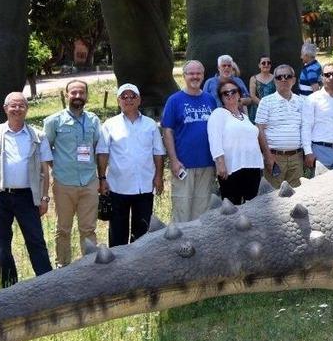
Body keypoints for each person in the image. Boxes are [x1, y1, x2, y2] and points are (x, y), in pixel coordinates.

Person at [0, 92, 53, 288]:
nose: (17, 109)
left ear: (27, 109)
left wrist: (45, 198)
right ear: (5, 109)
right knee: (2, 245)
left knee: (36, 241)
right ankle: (9, 287)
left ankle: (47, 284)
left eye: (21, 106)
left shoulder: (38, 136)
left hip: (27, 196)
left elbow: (45, 170)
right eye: (13, 106)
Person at [96, 83, 165, 247]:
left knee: (141, 234)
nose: (128, 100)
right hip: (118, 187)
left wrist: (159, 177)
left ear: (139, 100)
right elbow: (103, 153)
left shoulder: (150, 125)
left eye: (132, 96)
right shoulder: (109, 125)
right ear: (118, 101)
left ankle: (139, 266)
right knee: (118, 234)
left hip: (145, 186)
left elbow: (158, 152)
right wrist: (102, 178)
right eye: (124, 97)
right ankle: (117, 268)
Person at [43, 80, 100, 267]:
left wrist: (101, 178)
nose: (77, 96)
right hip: (63, 183)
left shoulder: (94, 120)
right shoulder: (53, 121)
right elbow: (46, 151)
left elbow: (98, 149)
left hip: (89, 182)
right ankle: (62, 267)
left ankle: (90, 265)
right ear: (66, 95)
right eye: (73, 93)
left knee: (89, 228)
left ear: (86, 96)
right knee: (63, 229)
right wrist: (58, 167)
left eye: (81, 93)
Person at [162, 60, 218, 222]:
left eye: (198, 73)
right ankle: (180, 247)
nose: (195, 76)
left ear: (203, 75)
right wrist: (173, 160)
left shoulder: (210, 100)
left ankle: (200, 246)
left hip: (207, 164)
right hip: (183, 165)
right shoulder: (174, 100)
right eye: (191, 73)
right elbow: (167, 131)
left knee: (203, 213)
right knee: (182, 212)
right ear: (184, 76)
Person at [208, 79, 265, 204]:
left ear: (239, 94)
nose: (230, 94)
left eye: (233, 91)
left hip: (252, 166)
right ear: (221, 97)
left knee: (253, 206)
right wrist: (220, 163)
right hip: (231, 168)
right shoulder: (218, 114)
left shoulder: (244, 117)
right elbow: (214, 139)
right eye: (225, 93)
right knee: (233, 208)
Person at [256, 64, 305, 187]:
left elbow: (305, 128)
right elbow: (259, 129)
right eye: (279, 77)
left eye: (287, 76)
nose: (283, 79)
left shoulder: (302, 102)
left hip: (297, 158)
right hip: (275, 157)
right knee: (274, 195)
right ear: (275, 80)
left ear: (293, 80)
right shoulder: (266, 102)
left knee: (297, 196)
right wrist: (267, 155)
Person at [248, 55, 276, 123]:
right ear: (259, 65)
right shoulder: (253, 78)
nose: (266, 65)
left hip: (273, 109)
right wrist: (264, 106)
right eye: (263, 63)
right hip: (257, 110)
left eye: (268, 63)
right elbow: (252, 96)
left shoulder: (275, 78)